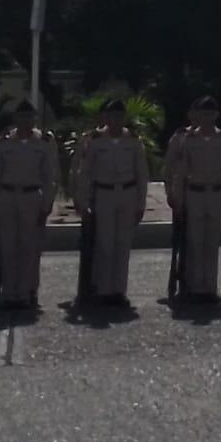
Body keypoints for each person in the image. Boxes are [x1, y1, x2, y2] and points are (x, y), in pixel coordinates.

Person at [76, 99, 149, 306]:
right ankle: (103, 289)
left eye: (119, 116)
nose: (115, 120)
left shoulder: (133, 140)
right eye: (112, 116)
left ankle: (119, 290)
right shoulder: (95, 140)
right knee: (105, 243)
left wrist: (141, 203)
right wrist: (82, 200)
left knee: (123, 244)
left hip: (127, 193)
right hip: (104, 193)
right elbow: (85, 172)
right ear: (105, 118)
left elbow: (141, 173)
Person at [165, 95, 221, 303]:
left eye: (210, 114)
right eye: (203, 114)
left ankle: (209, 288)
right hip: (194, 194)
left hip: (215, 193)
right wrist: (177, 198)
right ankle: (194, 287)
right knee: (195, 242)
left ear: (216, 115)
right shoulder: (188, 139)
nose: (206, 118)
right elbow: (179, 172)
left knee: (211, 243)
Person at [0, 100, 59, 309]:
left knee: (30, 247)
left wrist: (46, 205)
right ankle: (9, 292)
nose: (25, 120)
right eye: (21, 116)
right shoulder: (5, 141)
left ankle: (28, 290)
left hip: (32, 196)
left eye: (29, 116)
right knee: (8, 246)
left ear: (34, 119)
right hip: (8, 196)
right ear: (15, 118)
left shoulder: (44, 142)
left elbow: (50, 177)